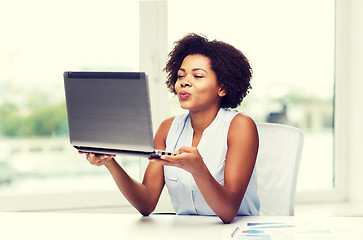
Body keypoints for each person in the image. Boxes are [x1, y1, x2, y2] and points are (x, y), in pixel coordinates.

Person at [80, 33, 260, 223]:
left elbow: (228, 211)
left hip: (236, 232)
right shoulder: (168, 129)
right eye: (181, 75)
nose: (184, 81)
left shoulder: (240, 126)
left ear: (222, 88)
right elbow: (146, 203)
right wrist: (109, 161)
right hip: (185, 232)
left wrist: (199, 170)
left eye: (197, 76)